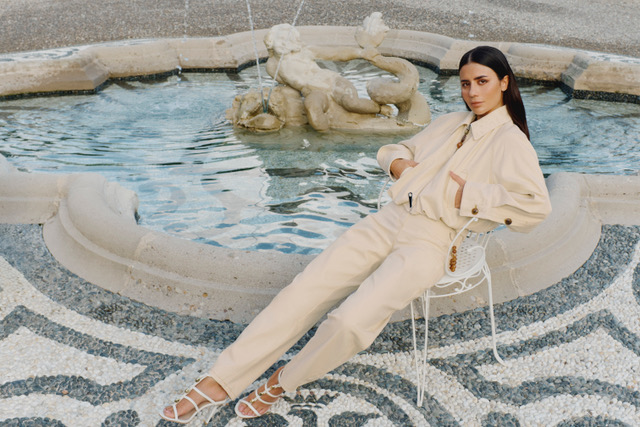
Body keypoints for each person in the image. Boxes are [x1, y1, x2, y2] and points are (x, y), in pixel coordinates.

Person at [160, 45, 552, 423]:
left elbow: (536, 207)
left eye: (482, 82)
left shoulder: (510, 141)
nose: (472, 92)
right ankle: (219, 381)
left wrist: (470, 196)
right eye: (466, 84)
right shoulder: (452, 122)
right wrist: (397, 163)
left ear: (504, 82)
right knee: (304, 289)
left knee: (350, 323)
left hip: (433, 240)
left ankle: (284, 381)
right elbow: (396, 148)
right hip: (391, 219)